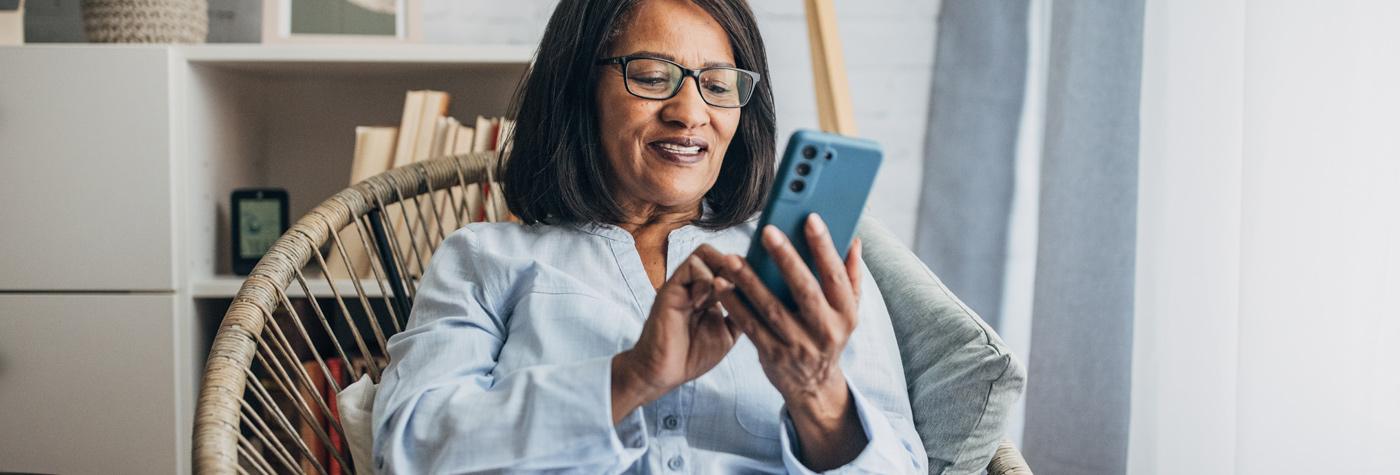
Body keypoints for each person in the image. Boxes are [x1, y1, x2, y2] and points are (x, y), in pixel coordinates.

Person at [372, 0, 927, 472]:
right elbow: (409, 450)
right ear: (579, 88)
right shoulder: (483, 258)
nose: (690, 114)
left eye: (717, 85)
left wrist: (817, 393)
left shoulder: (806, 263)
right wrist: (631, 377)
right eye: (653, 76)